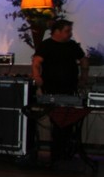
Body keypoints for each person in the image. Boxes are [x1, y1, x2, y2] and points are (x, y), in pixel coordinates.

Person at [31, 19, 89, 161]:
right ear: (57, 31)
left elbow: (83, 60)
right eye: (67, 31)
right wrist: (37, 77)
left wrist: (83, 77)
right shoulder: (46, 45)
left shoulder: (72, 45)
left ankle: (64, 152)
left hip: (69, 88)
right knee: (56, 121)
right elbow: (36, 62)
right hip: (52, 88)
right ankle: (57, 153)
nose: (70, 34)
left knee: (68, 121)